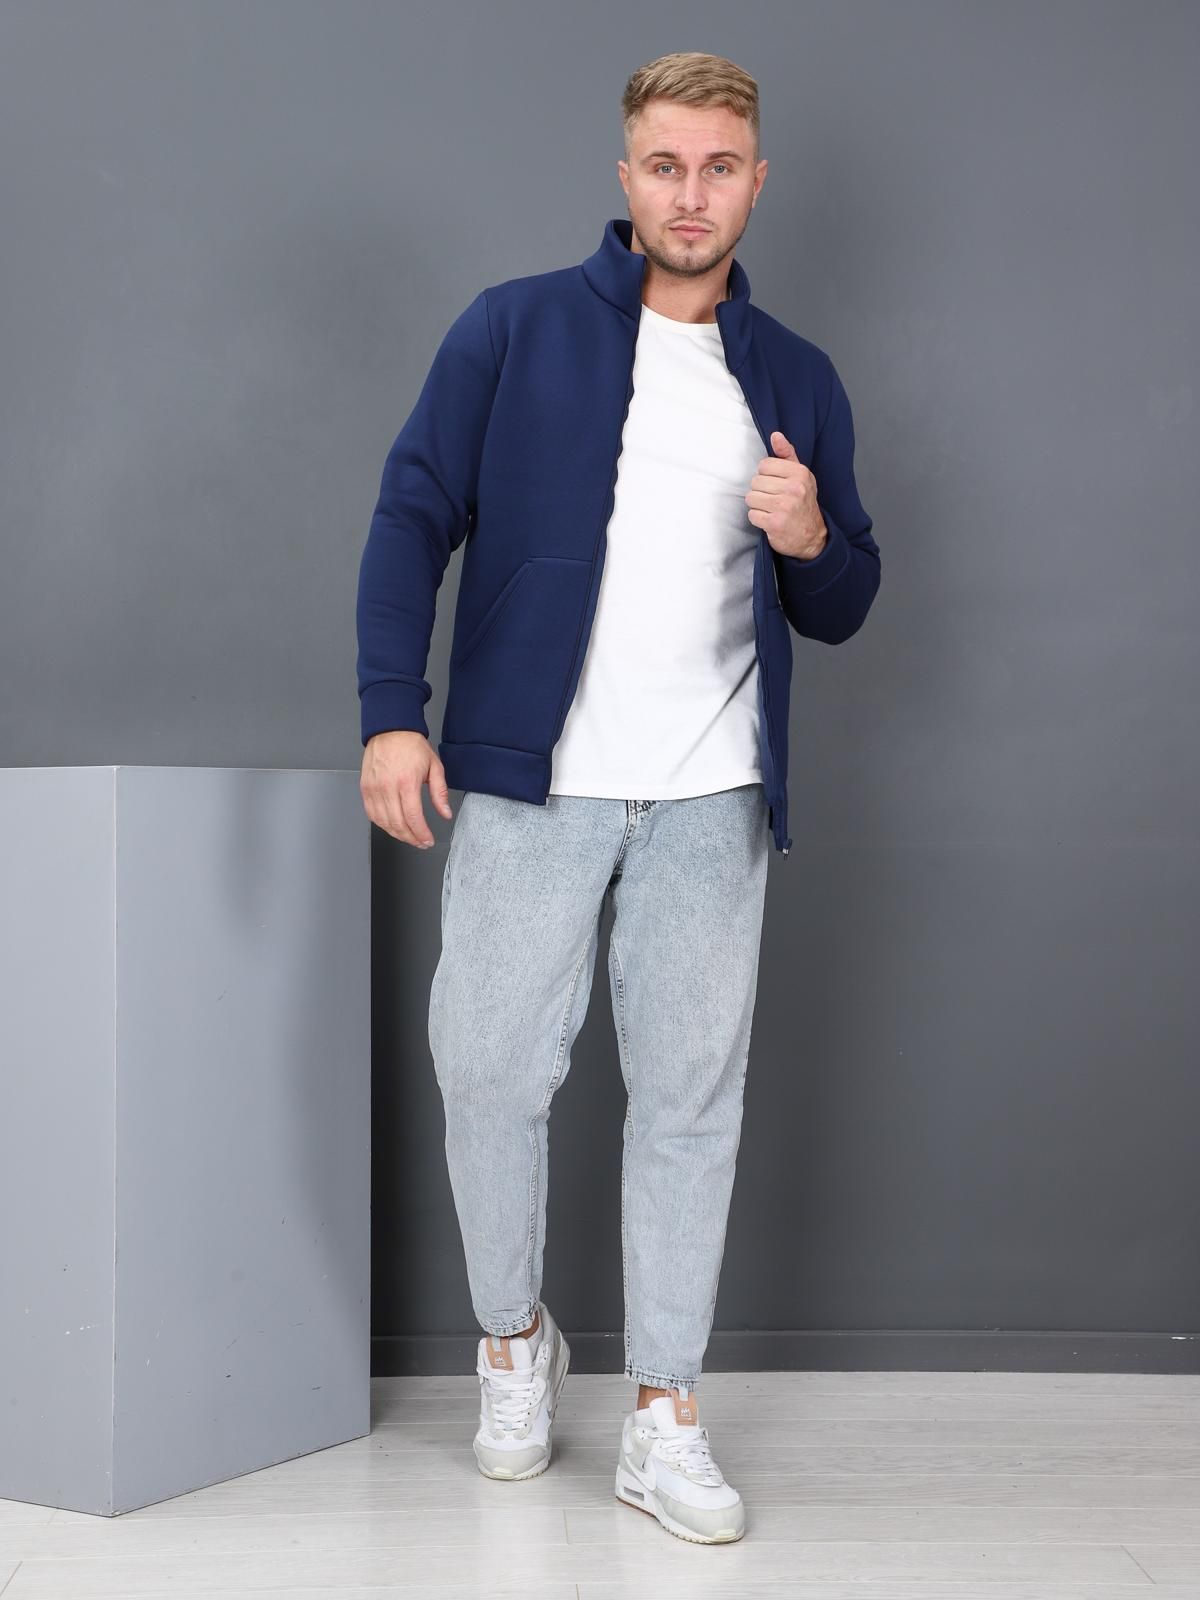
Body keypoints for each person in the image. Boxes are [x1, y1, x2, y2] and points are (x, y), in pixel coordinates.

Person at [356, 50, 881, 1544]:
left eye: (718, 169)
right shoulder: (513, 329)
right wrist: (393, 715)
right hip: (535, 784)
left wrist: (811, 535)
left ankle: (665, 1413)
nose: (690, 196)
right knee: (488, 1070)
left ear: (756, 183)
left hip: (713, 793)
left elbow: (846, 601)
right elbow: (410, 515)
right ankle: (514, 1342)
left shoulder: (794, 378)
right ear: (626, 175)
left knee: (689, 1104)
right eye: (665, 166)